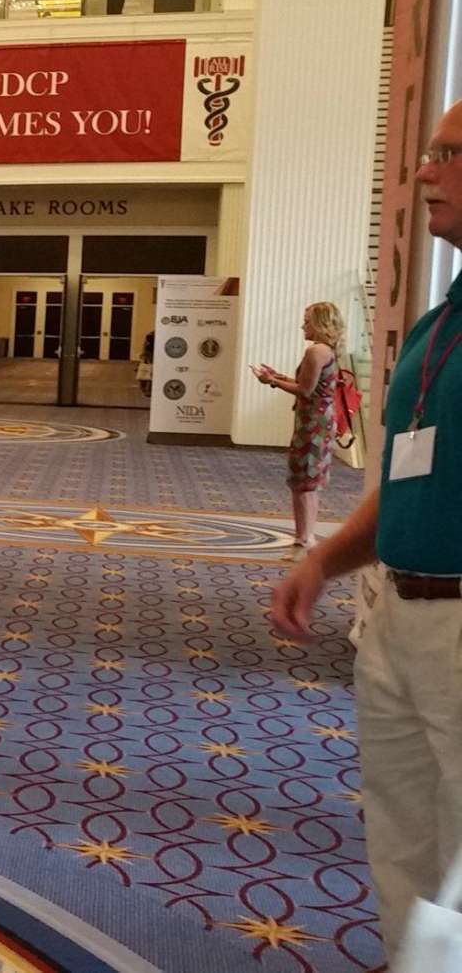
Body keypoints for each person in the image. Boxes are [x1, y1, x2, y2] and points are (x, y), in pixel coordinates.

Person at [268, 99, 462, 962]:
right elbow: (406, 477)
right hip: (399, 617)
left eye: (449, 154)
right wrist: (325, 560)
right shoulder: (438, 323)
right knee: (403, 835)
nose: (424, 171)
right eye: (429, 152)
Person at [252, 301, 343, 552]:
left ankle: (304, 537)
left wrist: (271, 382)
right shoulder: (327, 350)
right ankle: (305, 534)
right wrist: (279, 377)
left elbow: (305, 389)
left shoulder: (316, 351)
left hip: (313, 423)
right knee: (308, 481)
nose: (303, 326)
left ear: (320, 324)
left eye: (307, 321)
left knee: (304, 481)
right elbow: (311, 384)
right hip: (318, 420)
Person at [137, 329, 155, 397]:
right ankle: (147, 390)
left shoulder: (150, 336)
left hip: (149, 358)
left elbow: (145, 348)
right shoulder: (152, 336)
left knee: (146, 374)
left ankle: (146, 389)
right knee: (149, 375)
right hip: (151, 358)